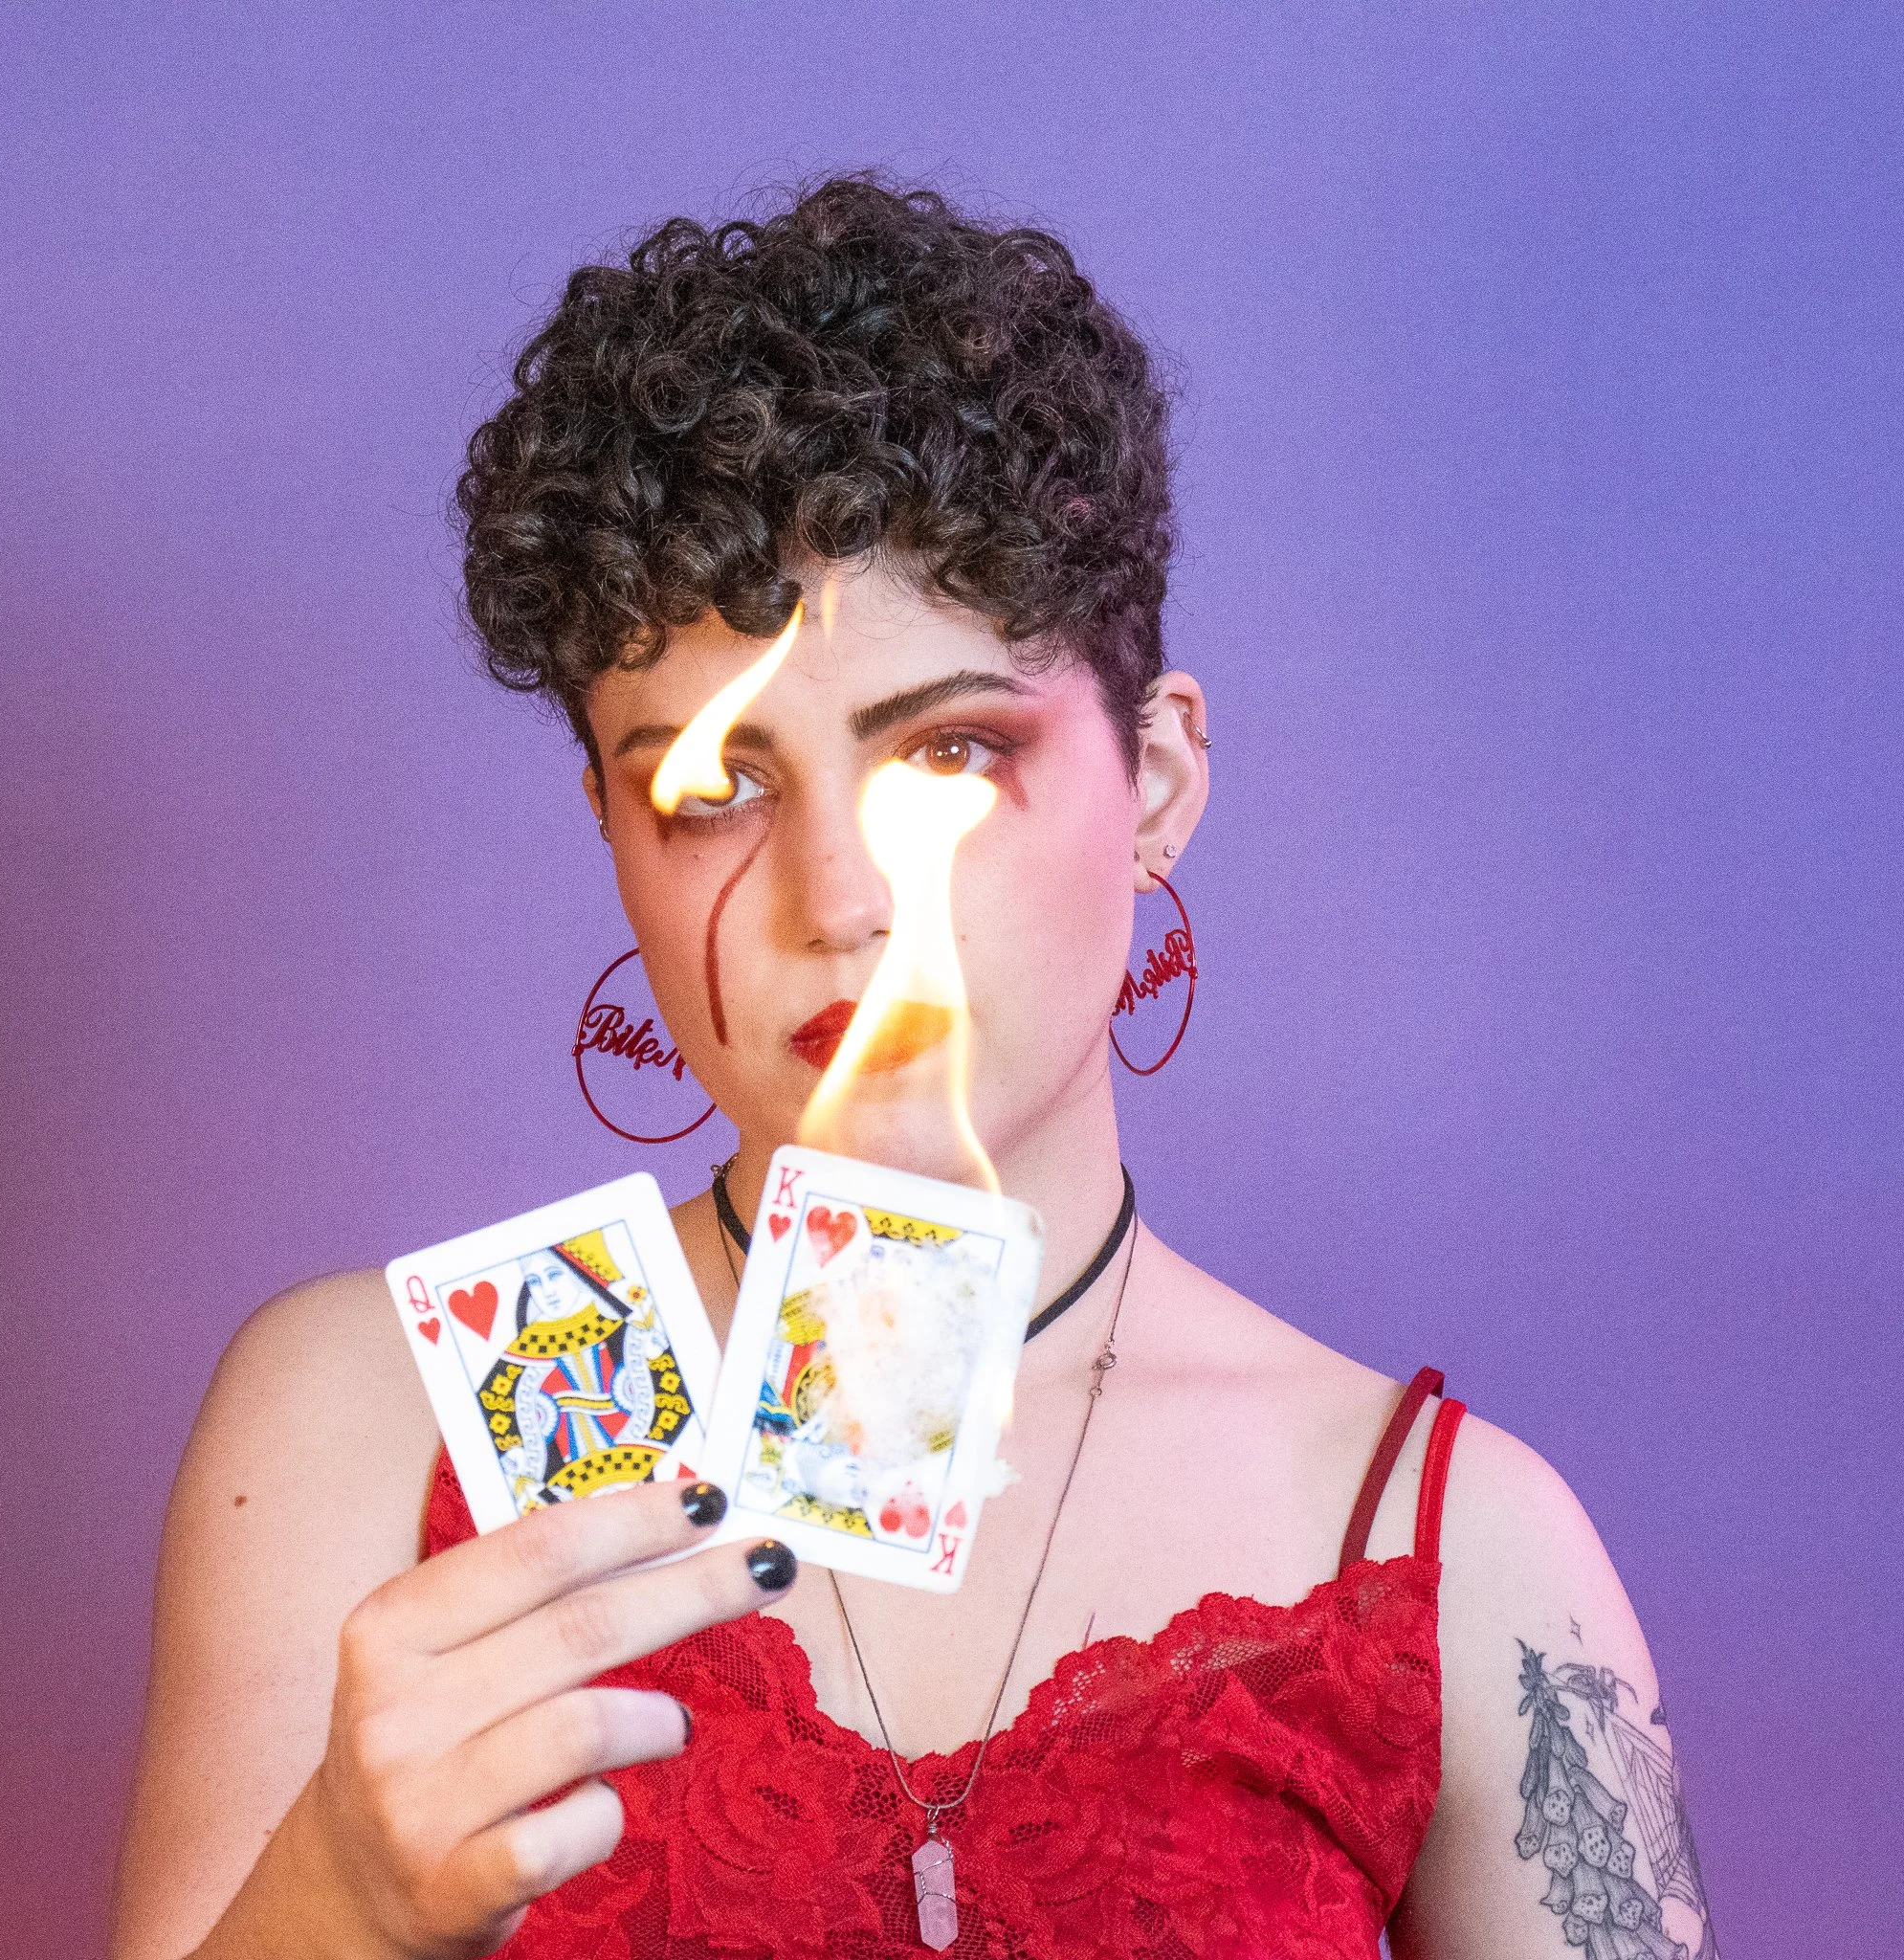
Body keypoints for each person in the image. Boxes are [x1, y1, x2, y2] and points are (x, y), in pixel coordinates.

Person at [110, 177, 1718, 1960]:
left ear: (1158, 780)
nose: (843, 899)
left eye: (947, 754)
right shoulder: (365, 1420)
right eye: (715, 790)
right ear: (613, 835)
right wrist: (337, 1899)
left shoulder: (1457, 1552)